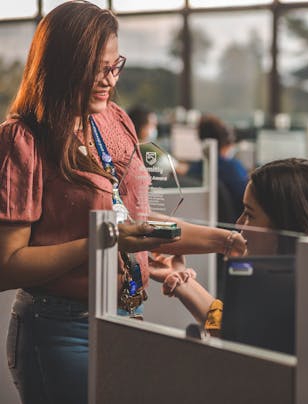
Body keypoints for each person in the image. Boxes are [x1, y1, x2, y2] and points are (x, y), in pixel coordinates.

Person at [0, 2, 245, 403]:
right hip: (61, 327)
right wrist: (104, 242)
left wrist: (223, 240)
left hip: (126, 317)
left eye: (115, 66)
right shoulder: (23, 139)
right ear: (63, 64)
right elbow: (7, 266)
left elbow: (138, 224)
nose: (109, 80)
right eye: (97, 68)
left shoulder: (115, 120)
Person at [161, 158, 308, 335]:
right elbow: (239, 329)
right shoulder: (297, 276)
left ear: (288, 225)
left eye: (249, 214)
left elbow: (246, 335)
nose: (239, 224)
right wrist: (181, 280)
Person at [188, 114, 248, 221]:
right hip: (233, 227)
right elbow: (247, 201)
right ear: (226, 140)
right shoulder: (233, 168)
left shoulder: (194, 169)